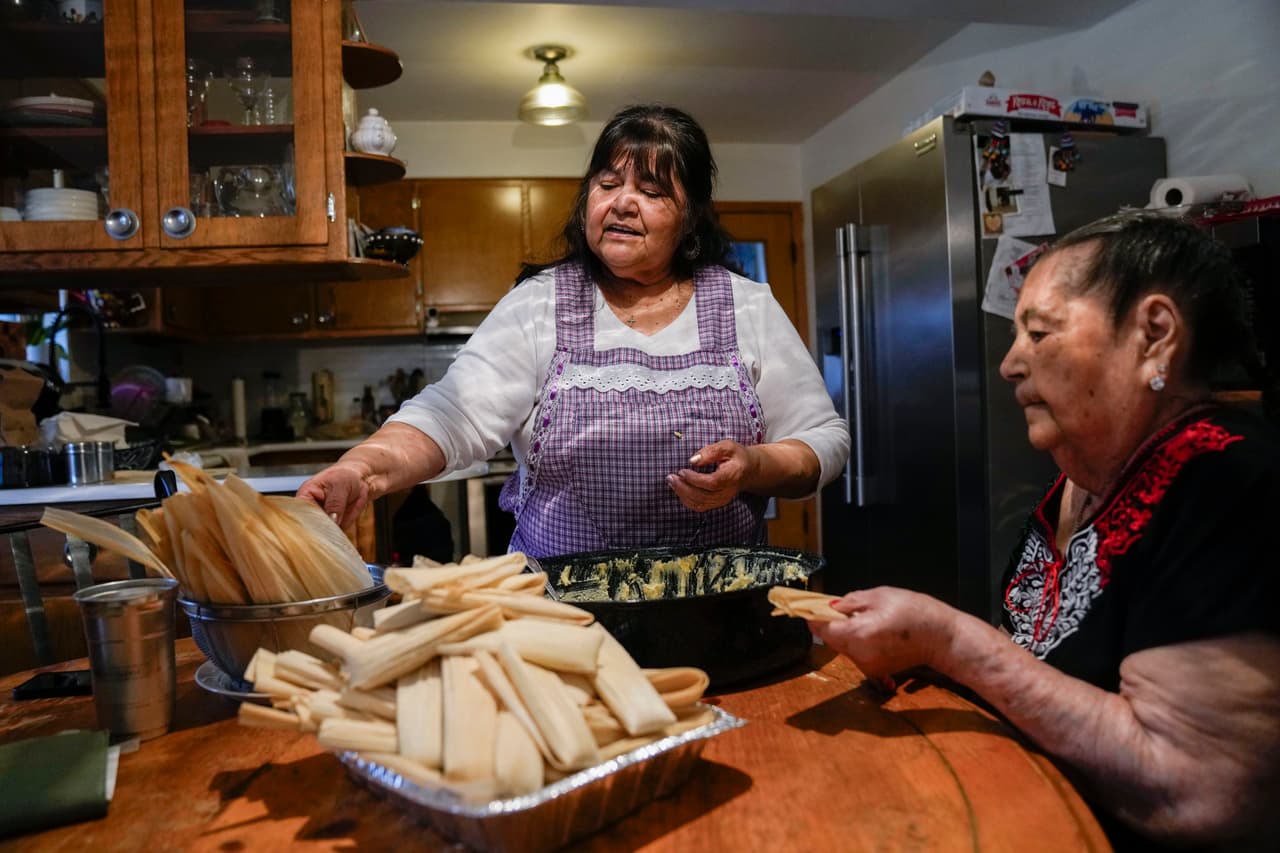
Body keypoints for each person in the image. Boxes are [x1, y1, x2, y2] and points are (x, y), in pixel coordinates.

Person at [812, 210, 1280, 850]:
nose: (1009, 364)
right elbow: (1035, 665)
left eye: (1038, 333)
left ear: (1154, 334)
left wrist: (950, 641)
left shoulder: (1226, 481)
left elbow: (1198, 792)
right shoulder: (1078, 481)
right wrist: (917, 650)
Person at [299, 104, 848, 558]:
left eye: (652, 192)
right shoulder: (539, 305)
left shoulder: (744, 305)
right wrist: (362, 469)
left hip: (717, 614)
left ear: (691, 218)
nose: (621, 203)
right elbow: (451, 415)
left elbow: (822, 441)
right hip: (563, 622)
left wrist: (755, 467)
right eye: (607, 183)